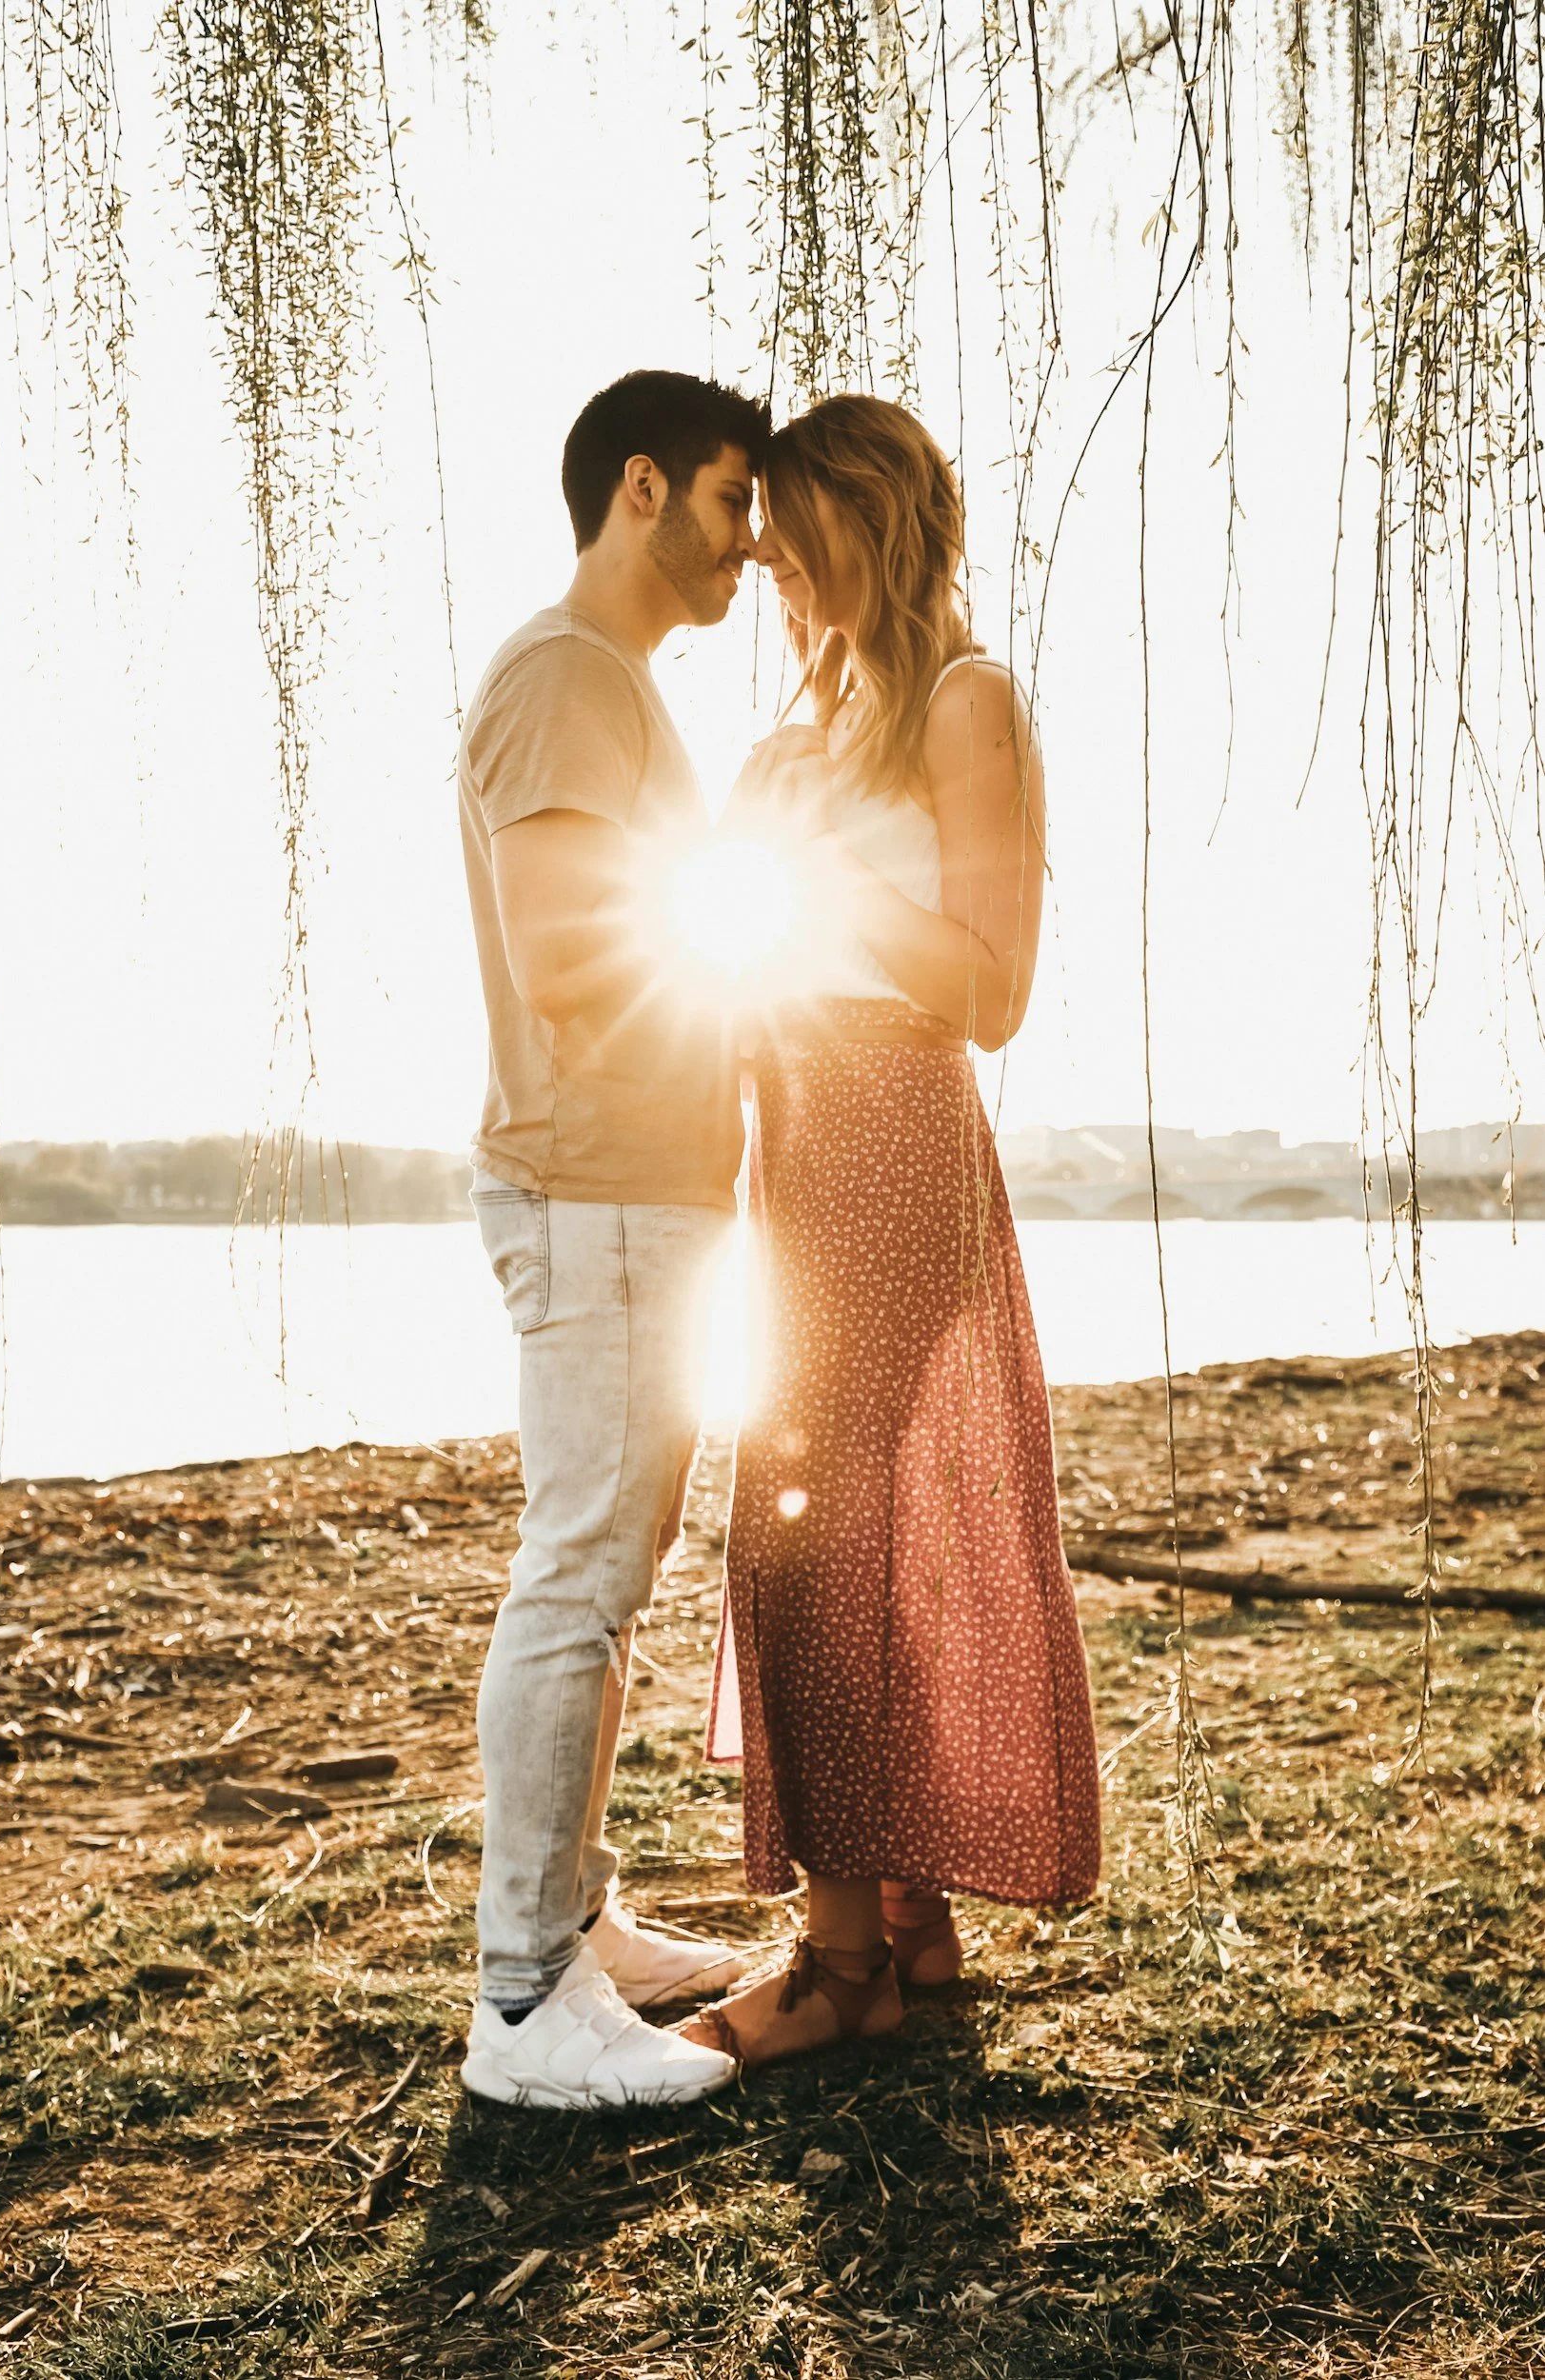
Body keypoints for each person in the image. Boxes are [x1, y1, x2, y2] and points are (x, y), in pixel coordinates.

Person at [683, 392, 1101, 2070]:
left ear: (868, 520)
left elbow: (989, 993)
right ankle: (902, 1919)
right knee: (830, 1530)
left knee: (807, 1538)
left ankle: (837, 1958)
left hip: (894, 1133)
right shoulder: (806, 722)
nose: (768, 563)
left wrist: (820, 881)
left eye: (787, 531)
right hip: (789, 1136)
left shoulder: (963, 699)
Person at [456, 368, 771, 2109]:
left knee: (609, 1564)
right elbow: (575, 956)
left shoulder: (611, 687)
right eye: (732, 501)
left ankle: (572, 1924)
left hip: (641, 1186)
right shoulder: (565, 676)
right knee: (578, 1566)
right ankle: (521, 2008)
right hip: (594, 1186)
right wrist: (774, 972)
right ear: (640, 488)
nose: (751, 543)